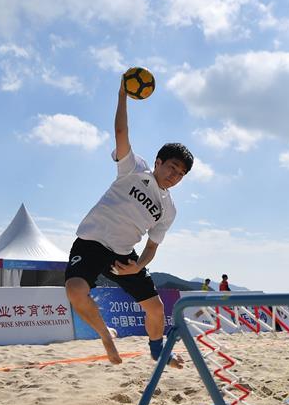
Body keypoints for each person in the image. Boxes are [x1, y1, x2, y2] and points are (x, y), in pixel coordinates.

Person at [64, 76, 193, 370]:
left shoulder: (169, 208)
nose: (175, 175)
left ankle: (157, 352)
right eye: (172, 166)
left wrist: (138, 266)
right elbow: (120, 130)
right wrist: (122, 94)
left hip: (124, 255)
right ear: (159, 162)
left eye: (181, 173)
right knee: (74, 290)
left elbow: (152, 246)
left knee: (157, 309)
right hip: (92, 242)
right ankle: (106, 336)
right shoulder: (135, 168)